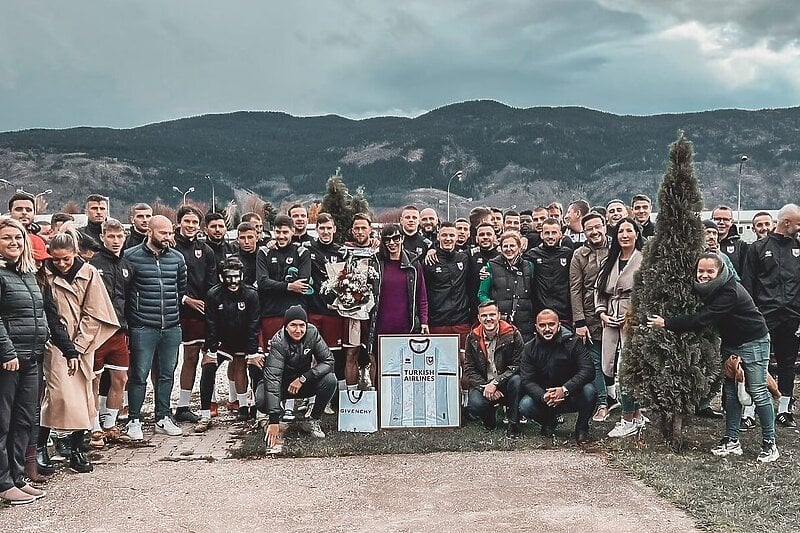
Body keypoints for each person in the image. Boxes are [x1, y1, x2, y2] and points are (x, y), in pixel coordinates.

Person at [647, 253, 778, 463]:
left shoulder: (729, 291)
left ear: (720, 271)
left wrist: (667, 323)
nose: (704, 275)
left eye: (710, 271)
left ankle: (770, 444)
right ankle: (732, 440)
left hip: (754, 341)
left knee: (758, 390)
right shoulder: (705, 288)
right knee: (731, 392)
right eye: (701, 271)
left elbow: (702, 319)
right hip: (731, 343)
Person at [40, 231, 119, 474]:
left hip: (82, 343)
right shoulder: (45, 275)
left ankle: (77, 448)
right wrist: (65, 347)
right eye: (56, 259)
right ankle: (41, 445)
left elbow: (95, 313)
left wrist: (79, 345)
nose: (62, 264)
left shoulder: (89, 274)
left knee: (85, 396)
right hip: (55, 343)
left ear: (75, 254)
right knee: (57, 395)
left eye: (66, 259)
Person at [123, 215, 187, 440]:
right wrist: (131, 323)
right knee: (139, 375)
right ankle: (134, 420)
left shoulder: (177, 259)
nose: (168, 237)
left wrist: (175, 320)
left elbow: (180, 290)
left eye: (170, 233)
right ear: (149, 232)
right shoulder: (130, 257)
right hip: (143, 327)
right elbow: (126, 292)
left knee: (167, 374)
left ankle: (162, 417)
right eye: (163, 233)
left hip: (171, 326)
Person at [0, 218, 50, 504]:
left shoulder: (27, 273)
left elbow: (39, 311)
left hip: (32, 357)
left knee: (23, 420)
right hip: (9, 360)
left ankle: (17, 477)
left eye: (18, 238)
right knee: (2, 422)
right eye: (7, 238)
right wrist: (6, 351)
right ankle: (3, 482)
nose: (14, 243)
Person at [742, 203, 800, 427]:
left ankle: (784, 409)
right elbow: (748, 284)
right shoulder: (757, 248)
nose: (799, 227)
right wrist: (750, 315)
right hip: (763, 317)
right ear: (786, 222)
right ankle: (750, 410)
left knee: (787, 363)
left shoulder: (797, 247)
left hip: (791, 317)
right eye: (797, 223)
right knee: (757, 363)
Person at [595, 217, 646, 437]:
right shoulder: (610, 261)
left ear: (636, 234)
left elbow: (648, 293)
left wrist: (634, 315)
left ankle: (629, 417)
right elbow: (599, 292)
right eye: (620, 232)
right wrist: (603, 314)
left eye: (629, 231)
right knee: (610, 366)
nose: (624, 235)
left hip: (632, 321)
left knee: (629, 369)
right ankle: (634, 415)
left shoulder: (643, 260)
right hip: (610, 320)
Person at [196, 257, 261, 430]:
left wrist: (253, 352)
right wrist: (210, 350)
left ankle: (253, 409)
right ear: (221, 277)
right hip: (222, 340)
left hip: (243, 338)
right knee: (208, 367)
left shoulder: (251, 294)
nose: (233, 282)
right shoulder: (213, 294)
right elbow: (211, 324)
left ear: (242, 276)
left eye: (236, 277)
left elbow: (254, 324)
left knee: (254, 367)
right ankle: (204, 415)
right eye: (228, 277)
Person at [261, 305, 338, 449]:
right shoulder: (278, 342)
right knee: (261, 397)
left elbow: (328, 361)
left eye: (302, 325)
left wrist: (304, 377)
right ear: (285, 326)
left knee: (330, 379)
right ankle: (276, 417)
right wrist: (273, 419)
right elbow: (273, 379)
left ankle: (313, 420)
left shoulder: (312, 333)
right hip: (282, 385)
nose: (298, 330)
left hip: (302, 383)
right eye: (293, 325)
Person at [518, 309, 596, 443]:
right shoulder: (529, 348)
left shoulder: (573, 342)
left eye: (551, 324)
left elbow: (588, 370)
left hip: (571, 394)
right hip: (546, 397)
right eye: (542, 325)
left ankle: (582, 429)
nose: (547, 329)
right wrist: (543, 396)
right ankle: (549, 421)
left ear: (558, 325)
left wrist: (564, 390)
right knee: (525, 405)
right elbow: (527, 380)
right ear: (536, 328)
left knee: (590, 391)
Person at [88, 219, 133, 445]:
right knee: (94, 380)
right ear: (103, 237)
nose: (115, 241)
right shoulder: (93, 264)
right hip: (98, 332)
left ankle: (110, 424)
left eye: (119, 237)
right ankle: (94, 427)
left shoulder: (126, 264)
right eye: (111, 237)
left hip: (120, 331)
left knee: (120, 378)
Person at [173, 205, 217, 423]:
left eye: (194, 223)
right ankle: (175, 407)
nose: (190, 226)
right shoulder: (170, 247)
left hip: (201, 311)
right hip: (176, 310)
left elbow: (212, 283)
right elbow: (165, 281)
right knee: (175, 361)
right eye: (187, 222)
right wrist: (185, 299)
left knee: (200, 357)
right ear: (179, 222)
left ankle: (199, 406)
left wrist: (208, 303)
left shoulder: (205, 250)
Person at [569, 212, 611, 422]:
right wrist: (580, 322)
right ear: (584, 231)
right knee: (595, 362)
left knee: (619, 362)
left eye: (597, 227)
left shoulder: (618, 248)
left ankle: (632, 406)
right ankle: (601, 403)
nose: (594, 232)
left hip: (615, 313)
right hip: (590, 316)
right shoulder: (579, 255)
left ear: (604, 226)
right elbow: (575, 289)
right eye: (589, 229)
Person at [369, 225, 430, 368]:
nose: (392, 243)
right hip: (380, 325)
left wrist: (424, 321)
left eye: (396, 238)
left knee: (407, 369)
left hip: (407, 325)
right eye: (387, 240)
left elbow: (421, 295)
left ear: (402, 239)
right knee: (382, 369)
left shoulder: (414, 263)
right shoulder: (375, 262)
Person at [463, 300, 523, 438]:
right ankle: (488, 414)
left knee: (517, 381)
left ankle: (513, 423)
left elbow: (517, 365)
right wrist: (486, 387)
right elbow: (469, 368)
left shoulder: (513, 334)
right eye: (484, 315)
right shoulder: (472, 337)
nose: (488, 318)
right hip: (484, 384)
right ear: (479, 318)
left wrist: (495, 383)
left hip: (506, 383)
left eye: (492, 314)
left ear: (499, 315)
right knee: (475, 405)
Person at [478, 231, 536, 342]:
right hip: (501, 323)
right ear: (500, 248)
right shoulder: (491, 266)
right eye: (505, 246)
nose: (509, 249)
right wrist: (493, 310)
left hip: (525, 323)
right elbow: (482, 294)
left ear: (519, 247)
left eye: (512, 245)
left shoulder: (529, 266)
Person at [525, 218, 574, 324]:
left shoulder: (568, 254)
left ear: (560, 234)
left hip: (564, 311)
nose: (550, 236)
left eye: (554, 233)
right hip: (541, 311)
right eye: (547, 233)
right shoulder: (532, 254)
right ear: (541, 235)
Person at [712, 205, 748, 278]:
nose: (721, 222)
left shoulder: (740, 246)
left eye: (726, 219)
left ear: (732, 222)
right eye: (717, 219)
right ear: (711, 220)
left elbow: (745, 274)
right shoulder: (703, 244)